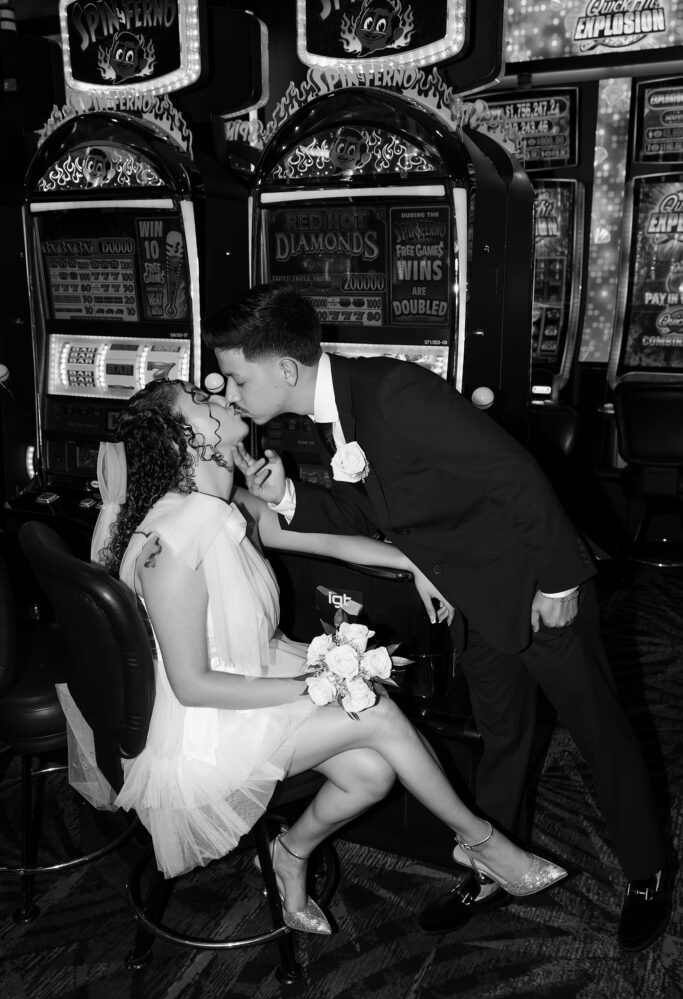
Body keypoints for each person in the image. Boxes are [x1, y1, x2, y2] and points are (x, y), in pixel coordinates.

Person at [202, 283, 672, 952]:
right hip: (471, 600)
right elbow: (377, 513)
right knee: (502, 738)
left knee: (598, 730)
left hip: (535, 588)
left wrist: (559, 580)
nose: (230, 390)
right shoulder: (331, 413)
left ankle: (647, 870)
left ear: (283, 370)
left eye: (238, 377)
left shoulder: (391, 392)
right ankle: (490, 867)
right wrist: (287, 499)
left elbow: (514, 476)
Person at [62, 377, 566, 936]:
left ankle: (289, 853)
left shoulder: (219, 503)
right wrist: (309, 685)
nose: (220, 397)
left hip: (249, 682)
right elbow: (193, 687)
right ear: (190, 440)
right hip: (205, 733)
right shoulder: (175, 542)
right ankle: (482, 844)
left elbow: (322, 541)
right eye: (202, 403)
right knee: (372, 709)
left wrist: (416, 564)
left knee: (372, 773)